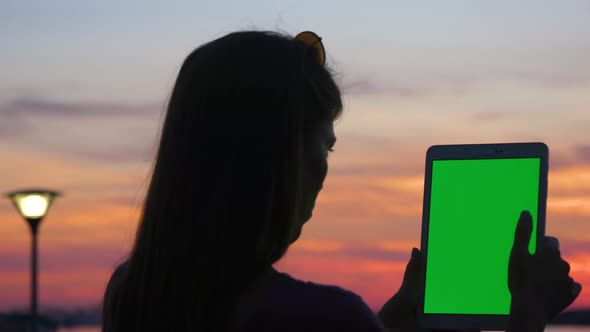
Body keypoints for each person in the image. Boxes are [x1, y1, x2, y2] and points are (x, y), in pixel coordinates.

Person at [101, 30, 581, 332]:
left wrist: (390, 321)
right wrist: (528, 316)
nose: (325, 171)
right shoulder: (325, 316)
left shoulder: (131, 295)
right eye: (325, 145)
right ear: (282, 156)